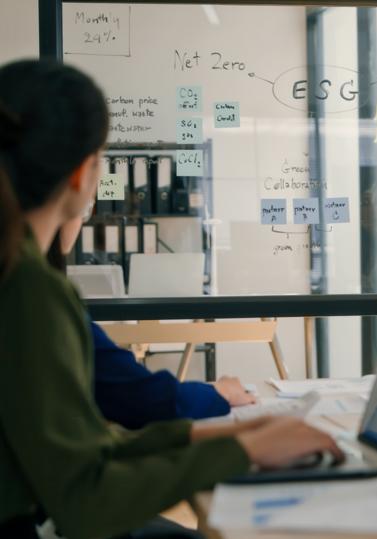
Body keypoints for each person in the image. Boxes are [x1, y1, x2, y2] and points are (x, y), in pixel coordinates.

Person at [0, 59, 342, 539]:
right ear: (83, 174)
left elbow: (88, 447)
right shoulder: (29, 289)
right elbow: (85, 498)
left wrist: (235, 434)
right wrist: (241, 451)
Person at [46, 219, 255, 429]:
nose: (86, 219)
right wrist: (220, 392)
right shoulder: (44, 294)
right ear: (77, 185)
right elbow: (141, 399)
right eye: (86, 211)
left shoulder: (32, 283)